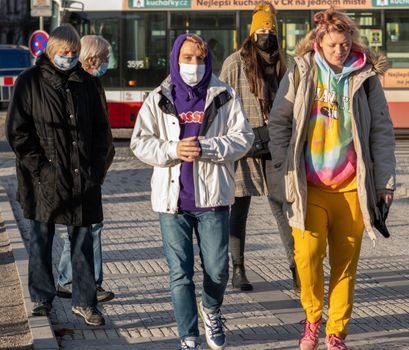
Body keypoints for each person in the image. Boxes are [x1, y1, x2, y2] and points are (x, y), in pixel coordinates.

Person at [268, 8, 396, 350]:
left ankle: (336, 332)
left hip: (352, 187)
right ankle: (312, 319)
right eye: (333, 44)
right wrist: (284, 169)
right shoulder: (302, 71)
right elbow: (279, 123)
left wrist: (385, 184)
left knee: (345, 264)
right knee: (307, 257)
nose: (340, 50)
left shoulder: (365, 76)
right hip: (309, 186)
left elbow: (382, 132)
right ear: (319, 42)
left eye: (345, 43)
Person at [130, 33, 254, 350]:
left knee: (218, 270)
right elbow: (140, 142)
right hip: (172, 202)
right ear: (175, 59)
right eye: (187, 58)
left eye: (199, 59)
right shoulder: (159, 97)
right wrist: (173, 148)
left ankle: (211, 310)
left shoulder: (223, 95)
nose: (194, 65)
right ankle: (188, 335)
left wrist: (207, 147)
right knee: (179, 275)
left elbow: (243, 139)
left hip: (212, 199)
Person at [5, 24, 109, 326]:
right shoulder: (29, 82)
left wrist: (96, 167)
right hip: (42, 181)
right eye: (64, 53)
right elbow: (17, 132)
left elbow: (101, 129)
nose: (69, 57)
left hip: (82, 178)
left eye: (74, 53)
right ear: (51, 52)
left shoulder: (86, 83)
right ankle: (41, 299)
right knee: (41, 240)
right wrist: (42, 167)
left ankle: (86, 302)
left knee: (83, 242)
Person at [219, 2, 298, 292]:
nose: (267, 34)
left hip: (276, 143)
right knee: (238, 209)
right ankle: (238, 269)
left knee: (285, 208)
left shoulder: (285, 63)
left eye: (271, 29)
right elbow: (220, 103)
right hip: (243, 145)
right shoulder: (234, 63)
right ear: (252, 33)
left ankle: (296, 267)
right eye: (262, 29)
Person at [55, 35, 116, 303]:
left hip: (90, 169)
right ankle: (83, 282)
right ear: (91, 58)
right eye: (103, 57)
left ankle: (70, 280)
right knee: (88, 227)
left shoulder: (91, 82)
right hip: (82, 169)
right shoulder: (83, 84)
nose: (106, 62)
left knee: (83, 227)